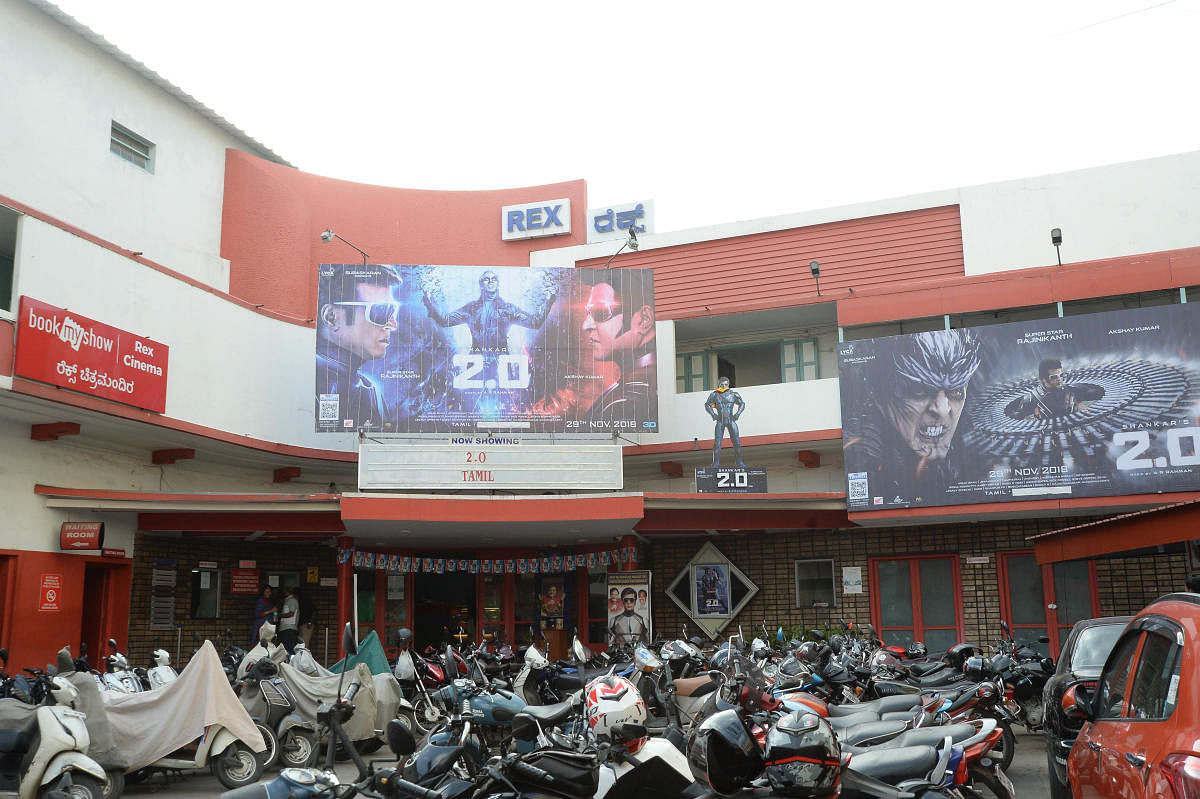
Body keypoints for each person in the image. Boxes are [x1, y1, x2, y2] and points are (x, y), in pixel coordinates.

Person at [842, 328, 981, 504]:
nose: (942, 409)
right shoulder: (863, 463)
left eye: (955, 392)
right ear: (879, 392)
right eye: (919, 391)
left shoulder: (972, 456)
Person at [424, 270, 556, 382]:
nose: (491, 281)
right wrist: (429, 301)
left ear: (498, 284)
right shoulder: (471, 309)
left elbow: (534, 322)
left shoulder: (507, 309)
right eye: (486, 279)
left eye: (494, 279)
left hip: (501, 364)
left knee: (506, 404)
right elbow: (445, 320)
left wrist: (550, 299)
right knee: (473, 404)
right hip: (476, 363)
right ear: (481, 285)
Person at [316, 264, 402, 429]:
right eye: (382, 311)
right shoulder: (309, 381)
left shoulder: (370, 389)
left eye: (393, 311)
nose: (393, 324)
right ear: (331, 317)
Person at [582, 270, 657, 423]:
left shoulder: (628, 403)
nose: (586, 325)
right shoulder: (628, 390)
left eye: (601, 312)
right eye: (587, 313)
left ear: (644, 320)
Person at [1005, 357, 1104, 420]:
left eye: (1061, 375)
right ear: (1043, 379)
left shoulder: (1071, 390)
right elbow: (1015, 416)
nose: (1059, 379)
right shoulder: (1031, 399)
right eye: (1054, 377)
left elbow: (1094, 393)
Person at [705, 376, 746, 468]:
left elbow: (742, 404)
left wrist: (738, 414)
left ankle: (739, 462)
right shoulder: (714, 395)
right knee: (717, 443)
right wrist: (713, 414)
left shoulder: (734, 394)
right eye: (722, 384)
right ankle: (716, 463)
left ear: (728, 384)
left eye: (725, 384)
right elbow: (707, 405)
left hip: (731, 420)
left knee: (737, 442)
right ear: (719, 384)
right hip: (720, 420)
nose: (723, 386)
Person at [277, 585, 300, 655]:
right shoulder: (287, 601)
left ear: (287, 592)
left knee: (289, 649)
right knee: (286, 649)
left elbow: (291, 614)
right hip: (285, 629)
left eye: (284, 592)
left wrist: (279, 615)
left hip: (289, 629)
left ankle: (291, 664)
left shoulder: (292, 601)